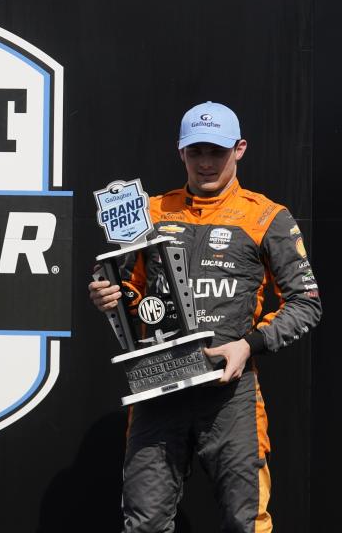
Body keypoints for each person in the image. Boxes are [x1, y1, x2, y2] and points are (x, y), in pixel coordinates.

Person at [87, 101, 321, 532]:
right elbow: (127, 285)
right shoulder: (150, 211)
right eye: (197, 152)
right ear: (181, 153)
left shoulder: (266, 216)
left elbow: (307, 303)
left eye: (217, 151)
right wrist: (108, 293)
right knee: (144, 523)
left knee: (246, 521)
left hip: (229, 392)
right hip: (158, 389)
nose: (207, 162)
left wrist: (247, 345)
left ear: (240, 149)